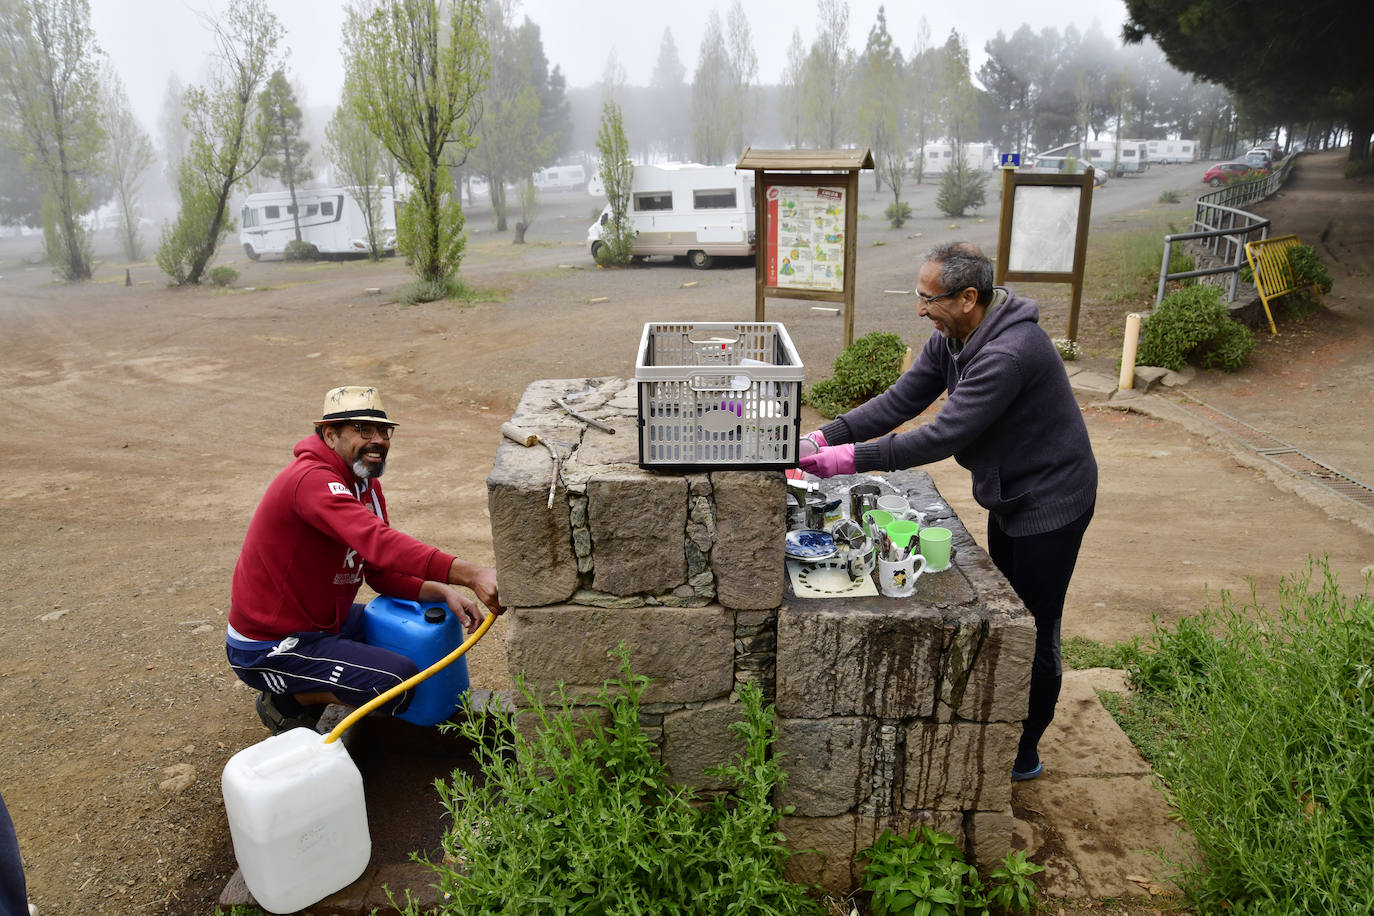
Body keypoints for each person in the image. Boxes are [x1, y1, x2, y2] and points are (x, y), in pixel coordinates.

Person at [800, 242, 1097, 782]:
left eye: (927, 298)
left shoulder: (1008, 353)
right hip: (1008, 490)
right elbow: (901, 400)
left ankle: (1023, 749)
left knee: (1034, 624)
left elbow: (944, 434)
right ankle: (1003, 720)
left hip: (1051, 499)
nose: (919, 309)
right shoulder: (954, 336)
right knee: (1009, 610)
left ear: (967, 297)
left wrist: (847, 461)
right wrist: (823, 435)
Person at [227, 386, 504, 735]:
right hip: (269, 644)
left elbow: (379, 571)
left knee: (412, 642)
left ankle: (324, 678)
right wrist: (472, 574)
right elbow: (379, 543)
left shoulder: (364, 483)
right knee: (395, 681)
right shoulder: (310, 480)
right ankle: (288, 701)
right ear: (330, 434)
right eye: (363, 430)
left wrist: (441, 591)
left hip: (323, 623)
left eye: (383, 431)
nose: (378, 440)